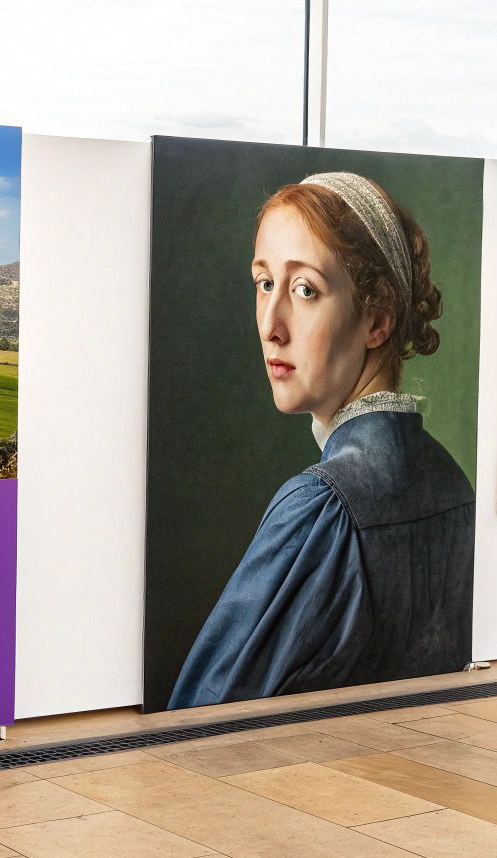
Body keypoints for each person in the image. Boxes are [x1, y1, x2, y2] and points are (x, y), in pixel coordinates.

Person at [167, 172, 474, 711]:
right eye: (265, 283)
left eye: (305, 289)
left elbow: (197, 721)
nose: (270, 324)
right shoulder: (452, 484)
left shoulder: (323, 508)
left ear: (377, 321)